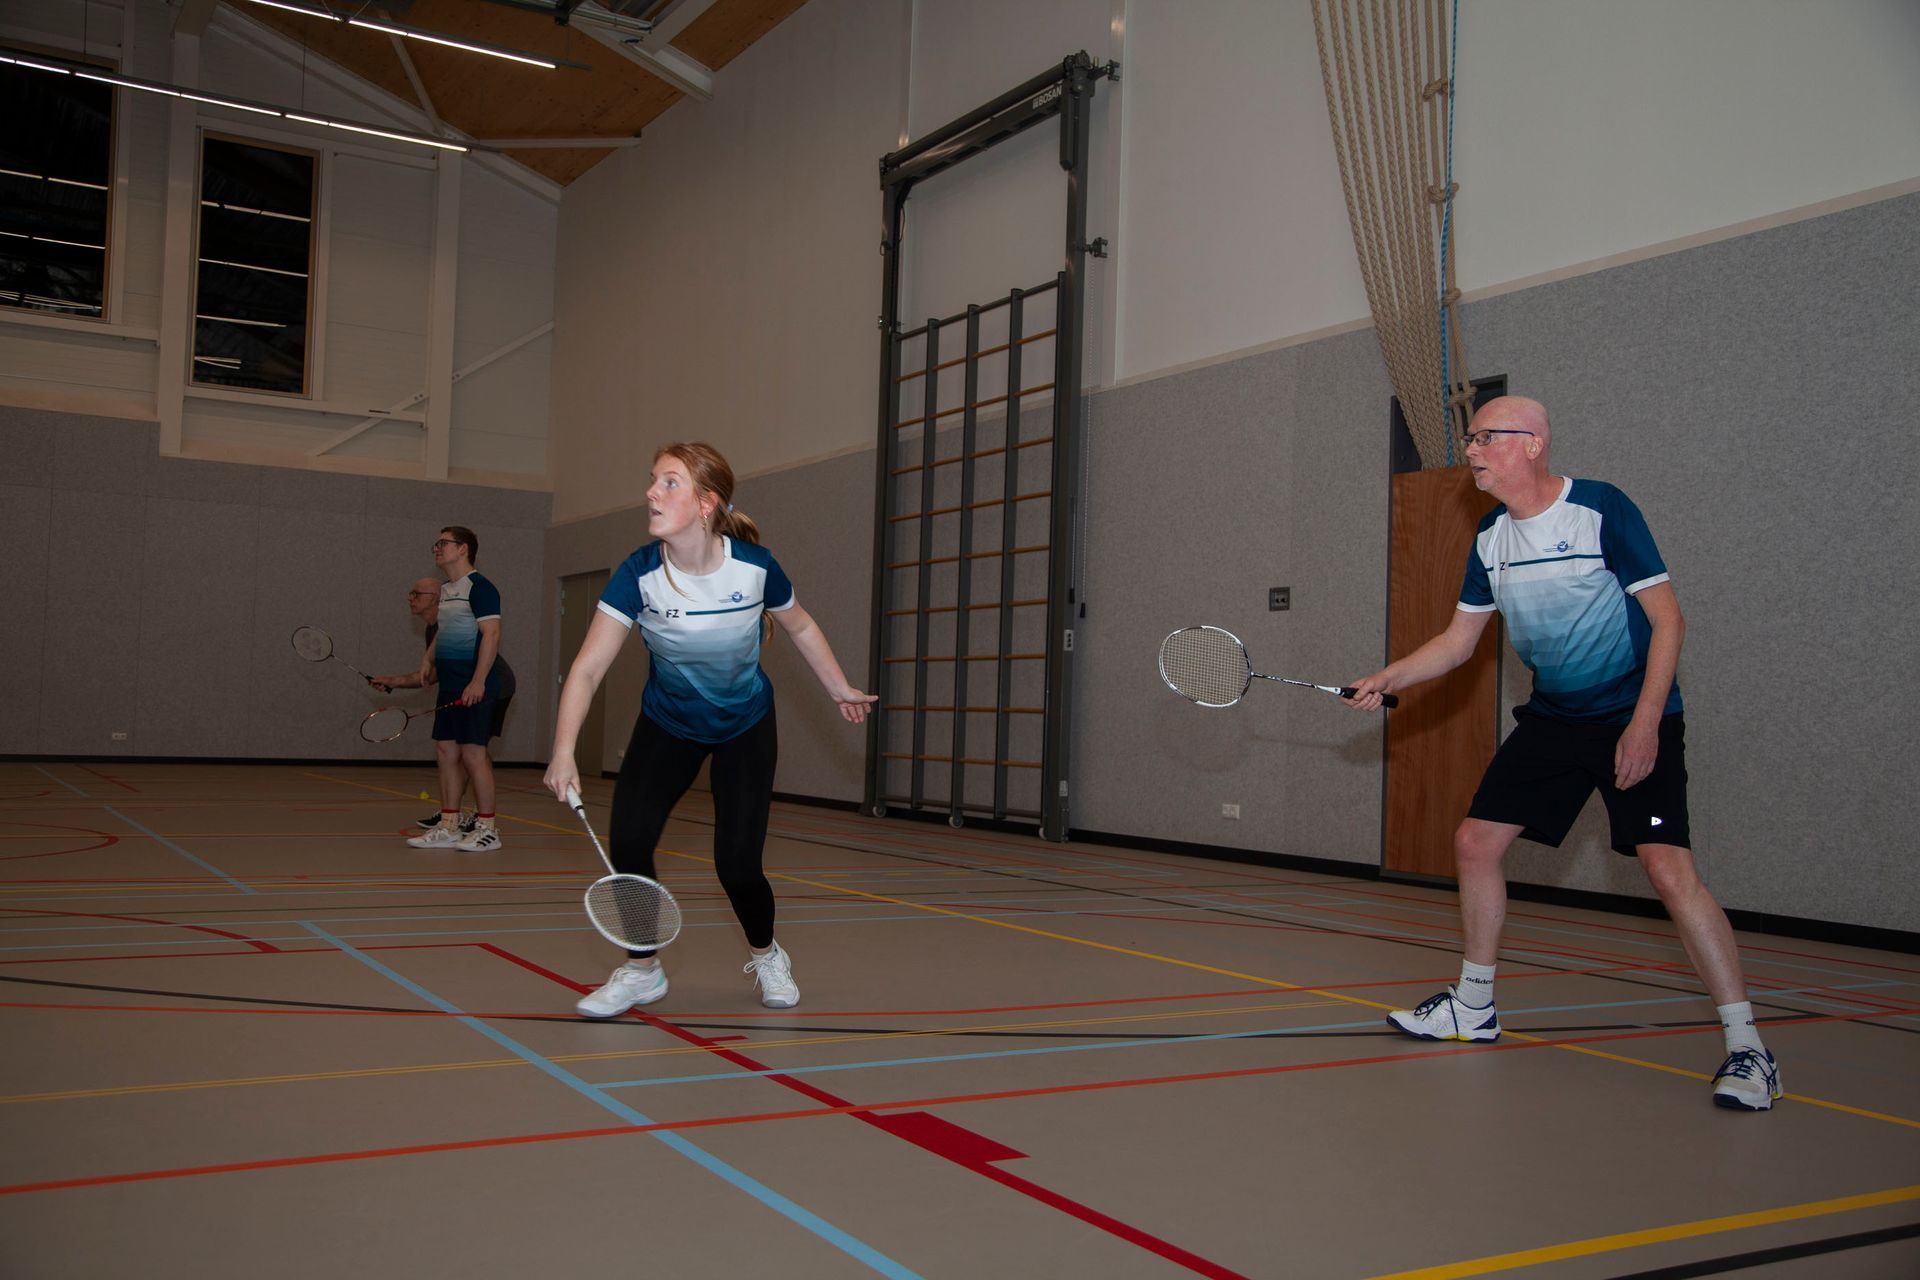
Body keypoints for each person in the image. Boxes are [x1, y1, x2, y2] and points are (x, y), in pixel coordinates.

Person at [1344, 396, 1781, 1111]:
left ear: (1533, 443)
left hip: (1632, 712)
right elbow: (1459, 642)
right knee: (1475, 843)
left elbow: (1669, 620)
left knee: (1668, 871)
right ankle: (1473, 1006)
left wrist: (1645, 724)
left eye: (1486, 437)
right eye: (1470, 438)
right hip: (1554, 720)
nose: (1472, 449)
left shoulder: (1600, 509)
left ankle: (1749, 1048)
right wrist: (1389, 676)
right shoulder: (1490, 537)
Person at [543, 442, 875, 1017]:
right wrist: (563, 750)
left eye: (669, 482)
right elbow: (588, 667)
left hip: (745, 725)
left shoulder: (755, 566)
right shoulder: (639, 574)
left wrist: (838, 686)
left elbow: (799, 626)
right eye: (652, 479)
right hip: (668, 724)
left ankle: (767, 954)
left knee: (738, 865)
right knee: (630, 842)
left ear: (706, 503)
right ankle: (642, 969)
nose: (651, 491)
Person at [372, 576, 517, 838]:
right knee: (453, 750)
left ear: (436, 600)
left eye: (417, 593)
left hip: (494, 686)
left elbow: (436, 674)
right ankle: (452, 814)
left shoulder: (453, 622)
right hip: (462, 686)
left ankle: (480, 820)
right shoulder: (433, 629)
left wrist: (397, 681)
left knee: (473, 749)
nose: (410, 598)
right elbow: (434, 674)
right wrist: (393, 682)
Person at [400, 527, 508, 853]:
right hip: (449, 685)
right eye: (437, 543)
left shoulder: (481, 587)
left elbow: (491, 635)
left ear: (463, 549)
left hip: (474, 685)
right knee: (446, 752)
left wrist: (478, 680)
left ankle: (488, 828)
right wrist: (427, 658)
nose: (437, 548)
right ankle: (449, 824)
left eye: (443, 543)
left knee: (474, 755)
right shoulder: (447, 589)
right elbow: (443, 630)